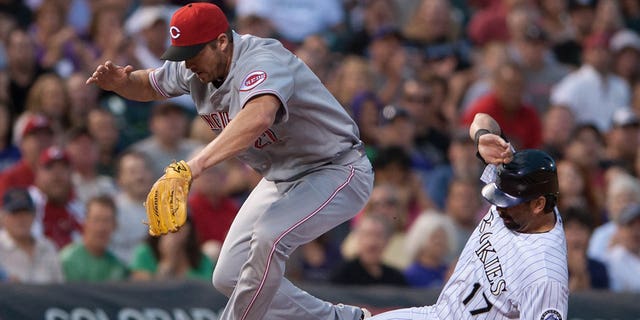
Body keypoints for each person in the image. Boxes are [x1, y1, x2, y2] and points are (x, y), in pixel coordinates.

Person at [86, 3, 374, 320]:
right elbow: (150, 84)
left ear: (222, 41)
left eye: (194, 53)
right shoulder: (194, 63)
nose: (188, 63)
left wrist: (194, 167)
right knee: (229, 275)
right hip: (283, 179)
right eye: (182, 54)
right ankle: (340, 318)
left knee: (269, 237)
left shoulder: (262, 59)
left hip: (337, 169)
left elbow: (259, 116)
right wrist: (122, 83)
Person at [368, 112, 568, 320]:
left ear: (538, 204)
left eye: (508, 203)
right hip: (436, 314)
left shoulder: (545, 276)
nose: (499, 208)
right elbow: (482, 119)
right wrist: (482, 136)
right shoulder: (519, 181)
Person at [0, 188, 64, 284]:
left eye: (26, 213)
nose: (21, 219)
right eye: (15, 213)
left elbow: (61, 287)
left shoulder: (47, 247)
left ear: (34, 215)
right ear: (3, 217)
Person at [59, 195, 129, 282]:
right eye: (96, 220)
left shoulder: (117, 267)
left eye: (106, 221)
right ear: (85, 223)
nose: (101, 228)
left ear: (114, 225)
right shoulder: (68, 260)